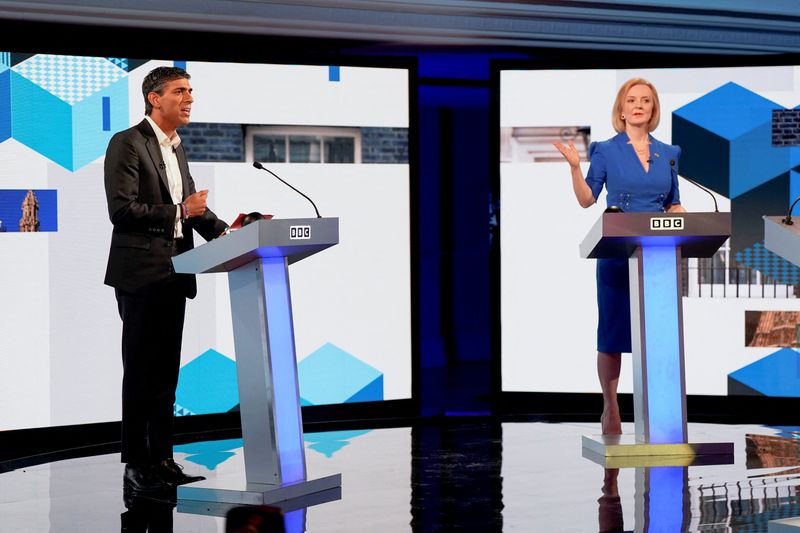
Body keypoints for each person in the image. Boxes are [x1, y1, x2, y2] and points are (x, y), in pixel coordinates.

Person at [104, 66, 228, 491]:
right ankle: (136, 464)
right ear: (155, 98)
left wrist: (231, 232)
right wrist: (179, 212)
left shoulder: (176, 148)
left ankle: (163, 459)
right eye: (180, 91)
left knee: (165, 377)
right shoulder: (127, 143)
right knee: (139, 373)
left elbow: (194, 209)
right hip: (140, 275)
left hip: (175, 274)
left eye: (191, 90)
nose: (189, 98)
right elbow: (122, 211)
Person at [554, 78, 685, 435]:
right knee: (613, 335)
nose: (638, 105)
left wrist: (683, 216)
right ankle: (610, 406)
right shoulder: (606, 150)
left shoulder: (669, 154)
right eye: (632, 100)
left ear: (653, 109)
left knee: (657, 336)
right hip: (616, 255)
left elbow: (674, 202)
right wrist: (574, 169)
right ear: (622, 109)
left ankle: (659, 409)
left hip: (657, 257)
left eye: (646, 100)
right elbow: (587, 200)